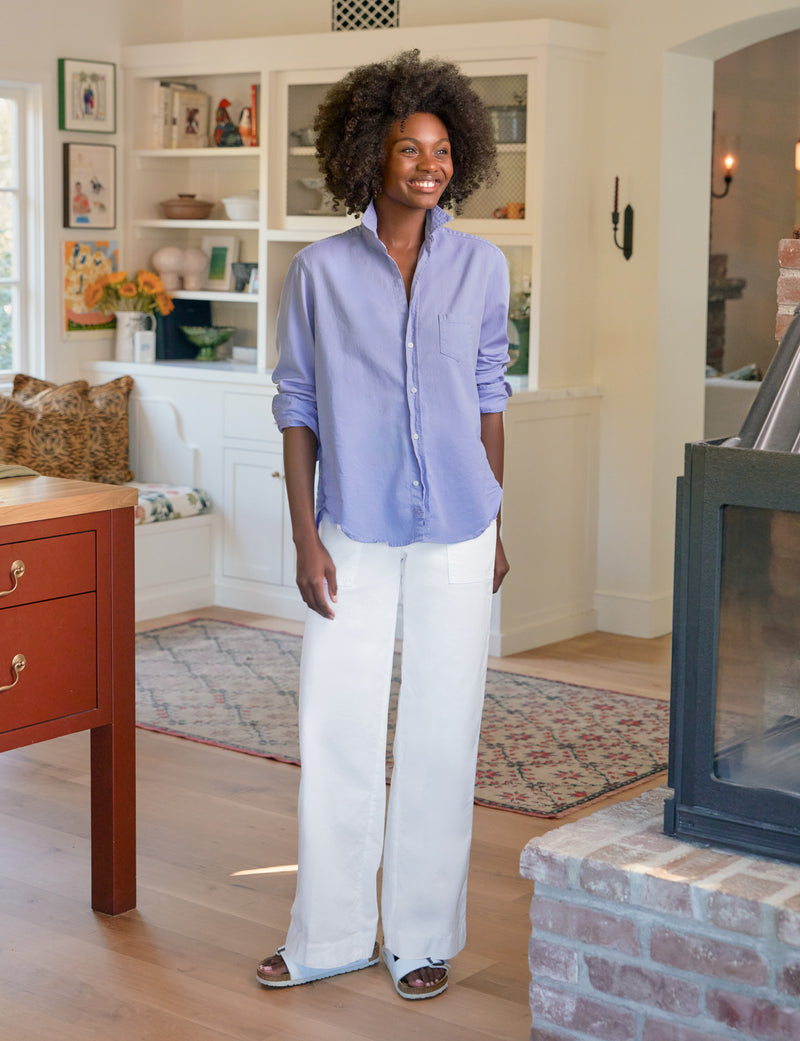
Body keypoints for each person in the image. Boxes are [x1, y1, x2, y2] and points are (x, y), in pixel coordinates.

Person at [257, 49, 511, 1002]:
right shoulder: (318, 273)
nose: (428, 165)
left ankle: (419, 937)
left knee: (446, 732)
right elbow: (297, 408)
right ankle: (327, 936)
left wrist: (497, 518)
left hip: (459, 525)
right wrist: (303, 537)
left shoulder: (482, 266)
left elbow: (491, 398)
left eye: (441, 149)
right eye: (409, 148)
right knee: (336, 728)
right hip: (352, 526)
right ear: (368, 155)